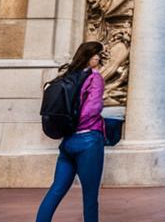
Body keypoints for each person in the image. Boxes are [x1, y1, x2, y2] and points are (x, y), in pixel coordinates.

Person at [36, 41, 107, 222]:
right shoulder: (94, 77)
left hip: (68, 142)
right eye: (95, 54)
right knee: (90, 197)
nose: (98, 58)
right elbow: (93, 108)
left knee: (56, 190)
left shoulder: (67, 76)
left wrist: (70, 126)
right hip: (89, 140)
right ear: (88, 57)